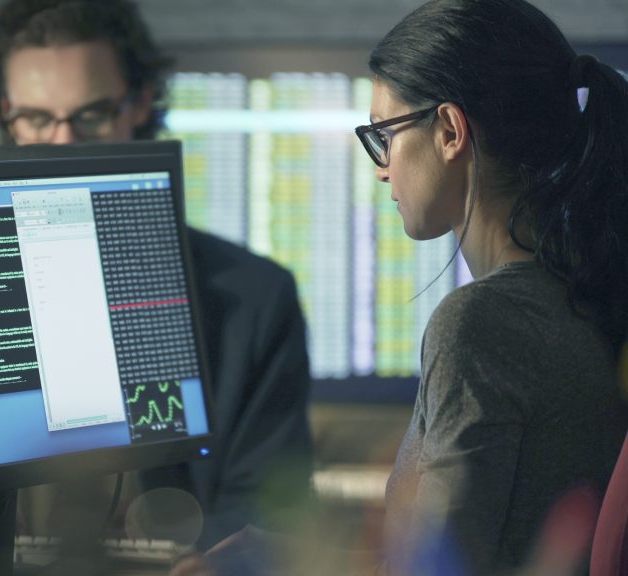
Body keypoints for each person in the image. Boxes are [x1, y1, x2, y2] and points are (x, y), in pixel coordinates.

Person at [176, 0, 628, 574]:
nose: (382, 167)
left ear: (448, 131)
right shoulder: (582, 292)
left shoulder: (480, 326)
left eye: (384, 134)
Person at [0, 0, 314, 549]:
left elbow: (267, 519)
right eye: (37, 118)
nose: (63, 145)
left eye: (90, 116)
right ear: (5, 113)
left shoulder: (255, 299)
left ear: (139, 104)